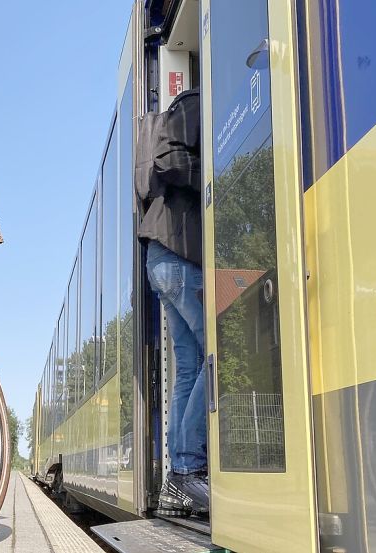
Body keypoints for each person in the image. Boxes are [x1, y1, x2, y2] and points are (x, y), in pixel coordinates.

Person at [136, 87, 208, 516]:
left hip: (165, 258)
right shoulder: (194, 102)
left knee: (191, 366)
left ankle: (178, 484)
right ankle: (187, 469)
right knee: (219, 355)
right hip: (177, 254)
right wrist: (214, 171)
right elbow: (169, 158)